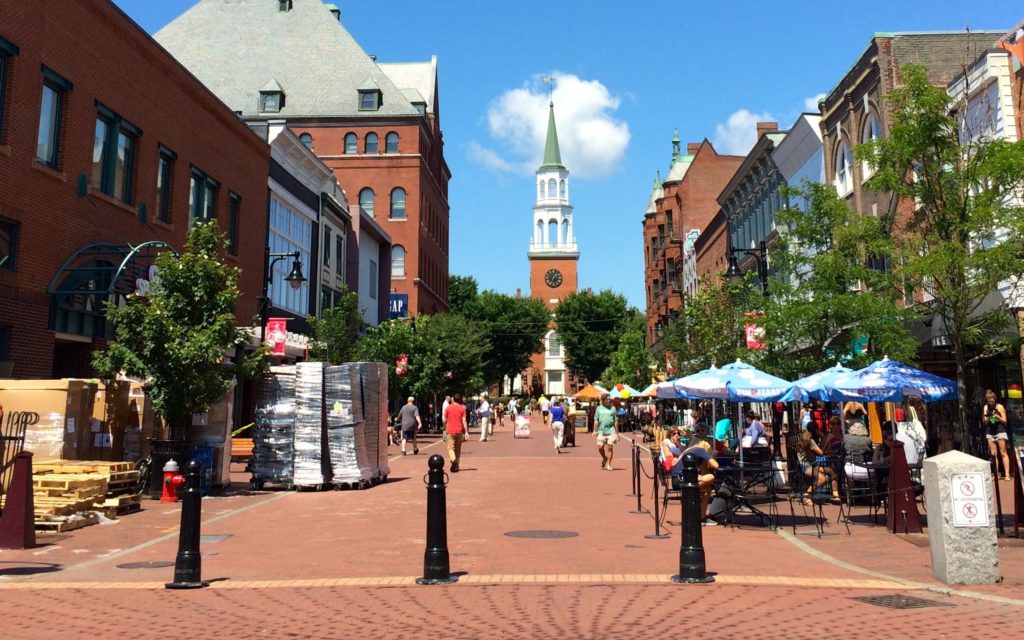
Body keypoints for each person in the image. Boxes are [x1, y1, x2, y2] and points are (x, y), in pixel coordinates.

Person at [795, 430, 837, 504]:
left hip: (809, 465)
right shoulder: (811, 441)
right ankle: (807, 494)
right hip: (807, 466)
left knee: (831, 471)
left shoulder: (800, 442)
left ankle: (835, 495)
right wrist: (828, 440)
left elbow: (813, 453)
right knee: (822, 479)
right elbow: (821, 452)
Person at [982, 389, 1011, 480]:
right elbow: (984, 422)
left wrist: (997, 417)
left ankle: (1007, 474)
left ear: (995, 399)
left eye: (991, 400)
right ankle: (996, 474)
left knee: (1003, 452)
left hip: (1000, 430)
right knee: (993, 454)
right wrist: (989, 417)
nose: (990, 402)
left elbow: (1005, 421)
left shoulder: (1000, 407)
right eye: (988, 400)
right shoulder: (985, 408)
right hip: (990, 431)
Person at [593, 393, 618, 471]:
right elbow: (596, 420)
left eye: (609, 399)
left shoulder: (613, 408)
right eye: (607, 399)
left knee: (610, 447)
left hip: (611, 431)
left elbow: (615, 421)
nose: (609, 400)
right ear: (603, 400)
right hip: (601, 431)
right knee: (600, 448)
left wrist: (617, 433)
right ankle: (604, 458)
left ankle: (608, 465)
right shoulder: (598, 408)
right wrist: (594, 430)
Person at [444, 393, 468, 473]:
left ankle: (453, 461)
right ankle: (456, 466)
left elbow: (444, 420)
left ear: (453, 399)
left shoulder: (448, 408)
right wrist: (466, 432)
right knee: (458, 449)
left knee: (450, 448)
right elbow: (464, 420)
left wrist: (444, 427)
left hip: (450, 430)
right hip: (459, 431)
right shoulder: (462, 408)